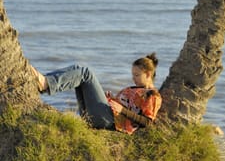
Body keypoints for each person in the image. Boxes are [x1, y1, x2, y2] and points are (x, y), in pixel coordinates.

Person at [31, 53, 162, 135]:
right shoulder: (134, 88)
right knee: (78, 70)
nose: (133, 78)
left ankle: (45, 84)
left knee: (85, 73)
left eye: (137, 75)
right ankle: (44, 81)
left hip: (110, 122)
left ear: (148, 74)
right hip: (105, 116)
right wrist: (111, 99)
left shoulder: (153, 95)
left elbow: (147, 122)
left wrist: (122, 110)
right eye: (133, 75)